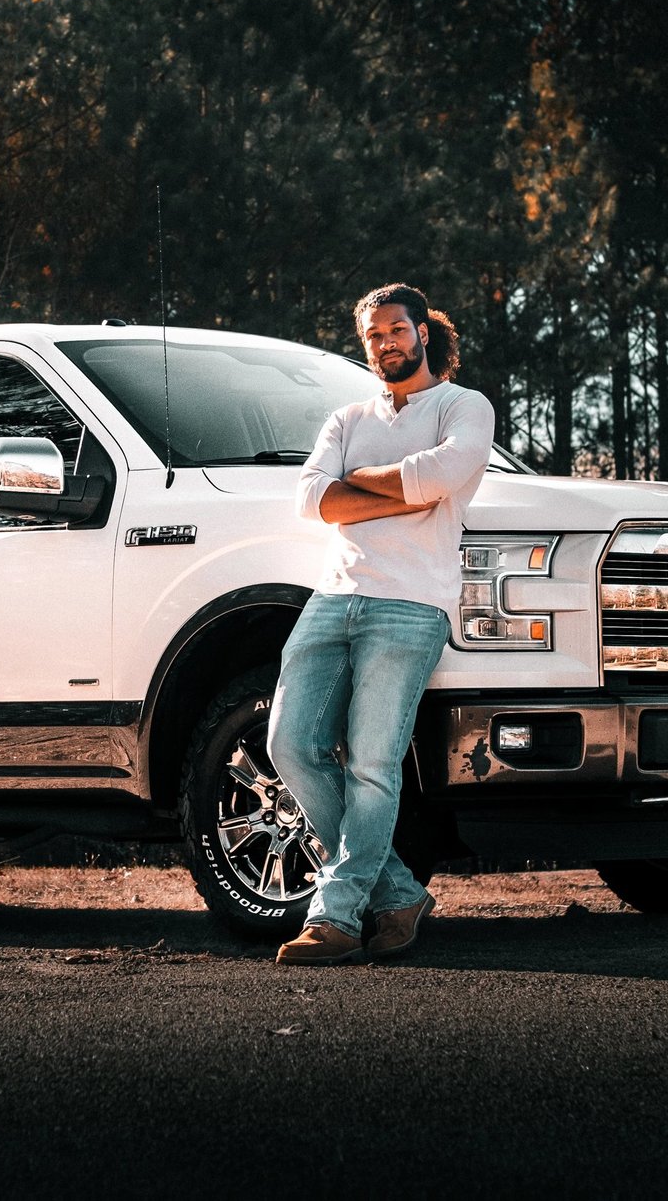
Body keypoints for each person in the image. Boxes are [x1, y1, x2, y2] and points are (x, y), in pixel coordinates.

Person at [267, 283, 494, 964]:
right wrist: (403, 488)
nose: (386, 342)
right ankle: (398, 893)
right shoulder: (346, 418)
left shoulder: (463, 406)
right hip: (333, 598)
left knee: (372, 763)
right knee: (289, 745)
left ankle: (335, 917)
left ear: (423, 331)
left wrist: (359, 482)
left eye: (397, 329)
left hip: (411, 604)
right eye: (373, 334)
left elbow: (442, 473)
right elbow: (312, 498)